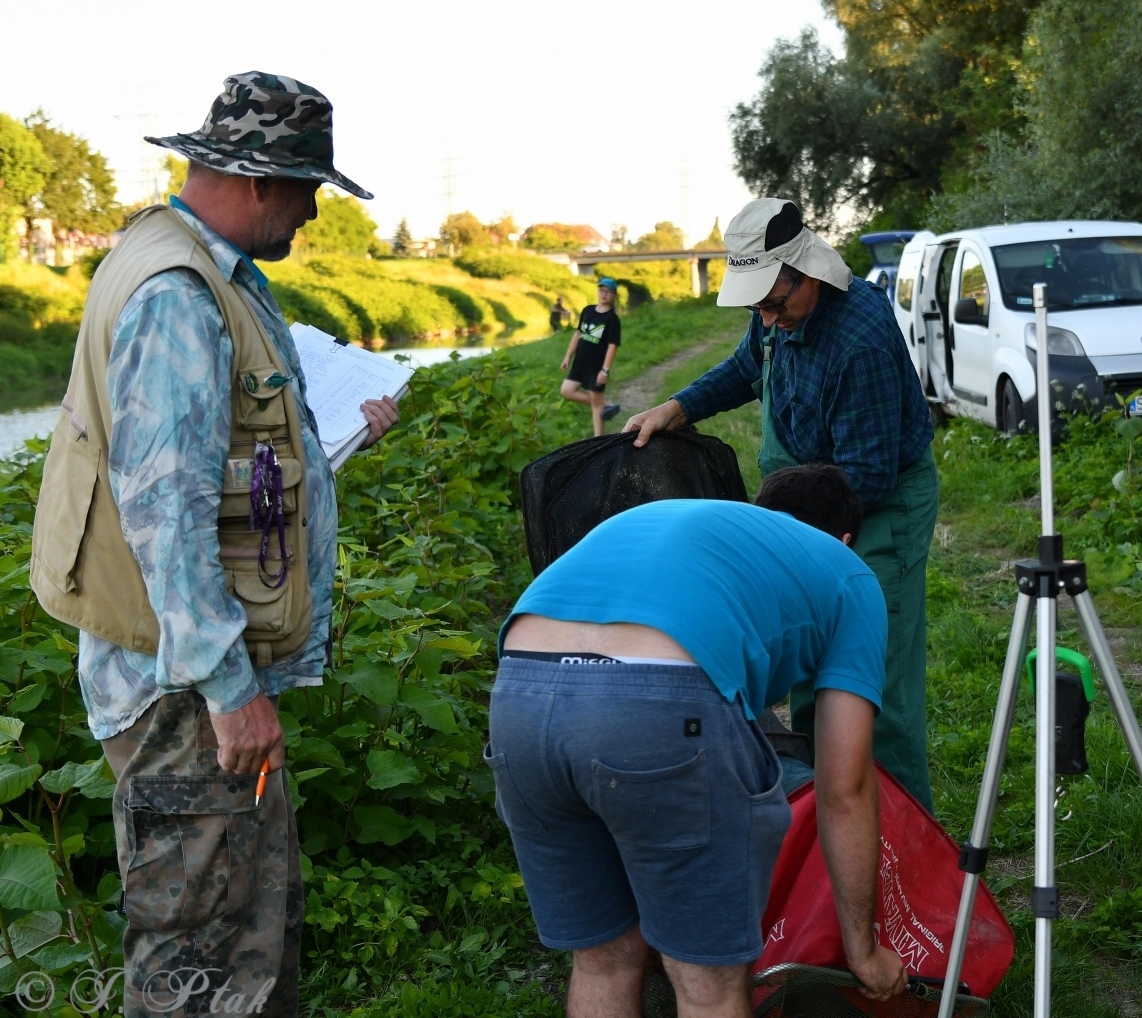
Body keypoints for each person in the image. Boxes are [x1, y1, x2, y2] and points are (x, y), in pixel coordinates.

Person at [29, 72, 397, 1018]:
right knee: (201, 957)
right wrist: (231, 691)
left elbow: (222, 463)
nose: (313, 211)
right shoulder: (179, 295)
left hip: (191, 679)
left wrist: (324, 448)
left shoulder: (192, 265)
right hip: (186, 695)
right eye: (310, 188)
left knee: (244, 934)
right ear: (261, 180)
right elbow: (165, 509)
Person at [488, 465, 909, 1017]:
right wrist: (865, 950)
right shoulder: (849, 574)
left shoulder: (681, 523)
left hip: (519, 696)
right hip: (655, 705)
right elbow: (844, 787)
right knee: (707, 985)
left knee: (603, 961)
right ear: (847, 538)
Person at [624, 199, 939, 811]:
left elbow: (866, 478)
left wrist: (791, 548)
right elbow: (745, 369)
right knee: (807, 665)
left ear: (809, 272)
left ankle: (902, 839)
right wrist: (676, 408)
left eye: (775, 305)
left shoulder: (861, 338)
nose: (767, 321)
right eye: (756, 308)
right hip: (807, 518)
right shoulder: (775, 314)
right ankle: (826, 819)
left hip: (872, 514)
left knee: (871, 680)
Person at [560, 276, 622, 435]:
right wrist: (568, 356)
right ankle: (606, 404)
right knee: (566, 390)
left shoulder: (612, 319)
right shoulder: (587, 310)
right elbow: (578, 334)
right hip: (580, 363)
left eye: (608, 292)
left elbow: (612, 346)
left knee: (596, 404)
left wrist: (605, 370)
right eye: (602, 290)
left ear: (614, 295)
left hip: (596, 367)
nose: (604, 294)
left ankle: (598, 440)